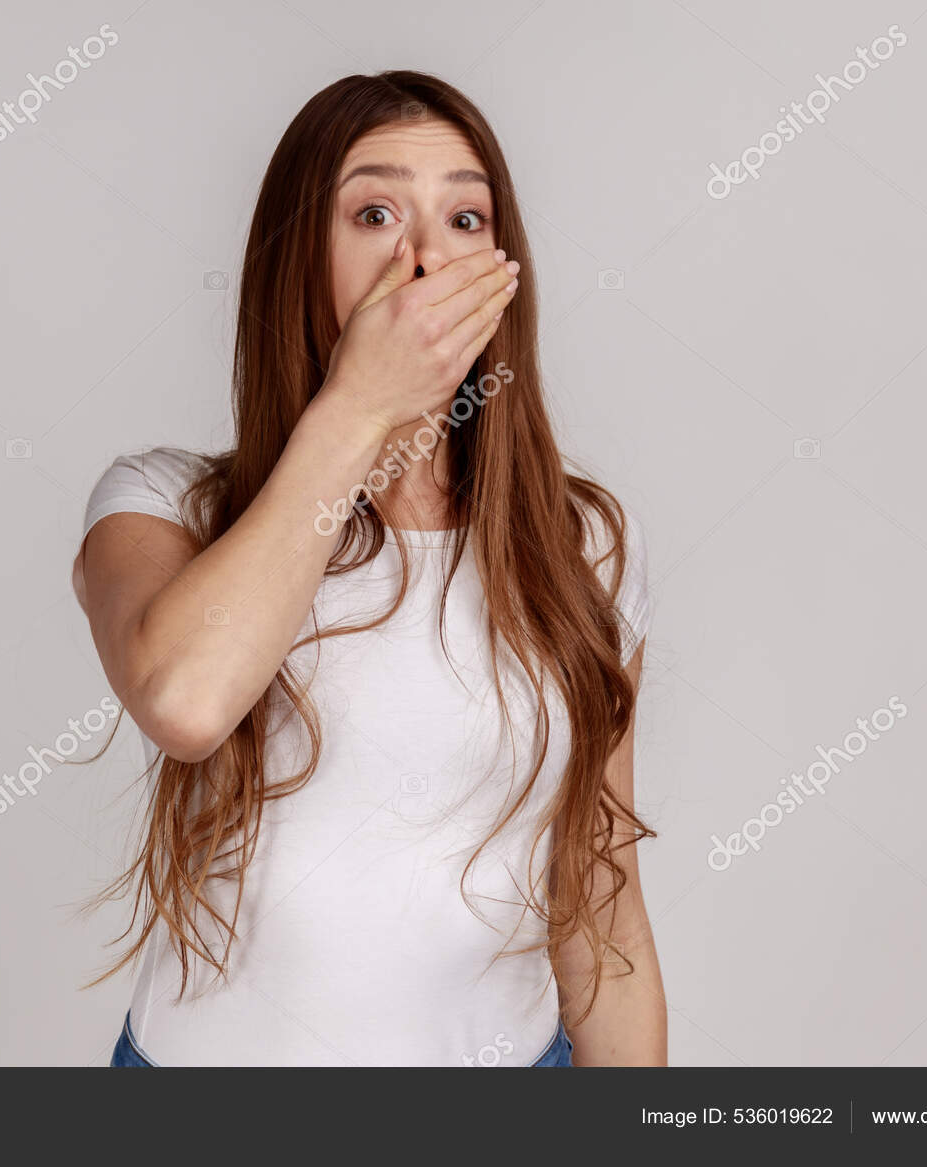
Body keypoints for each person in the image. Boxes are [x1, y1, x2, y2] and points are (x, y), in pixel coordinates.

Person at [73, 70, 664, 1067]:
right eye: (376, 211)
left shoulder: (585, 542)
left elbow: (597, 891)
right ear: (299, 258)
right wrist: (359, 408)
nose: (425, 256)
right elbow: (185, 702)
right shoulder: (164, 507)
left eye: (465, 217)